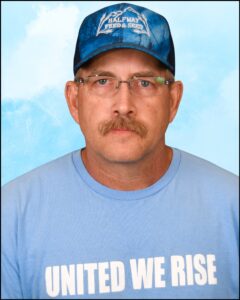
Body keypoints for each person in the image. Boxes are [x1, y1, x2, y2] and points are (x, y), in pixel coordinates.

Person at [2, 2, 238, 299]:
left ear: (173, 100)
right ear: (74, 100)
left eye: (145, 82)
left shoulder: (232, 206)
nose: (124, 104)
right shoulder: (11, 217)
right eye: (103, 81)